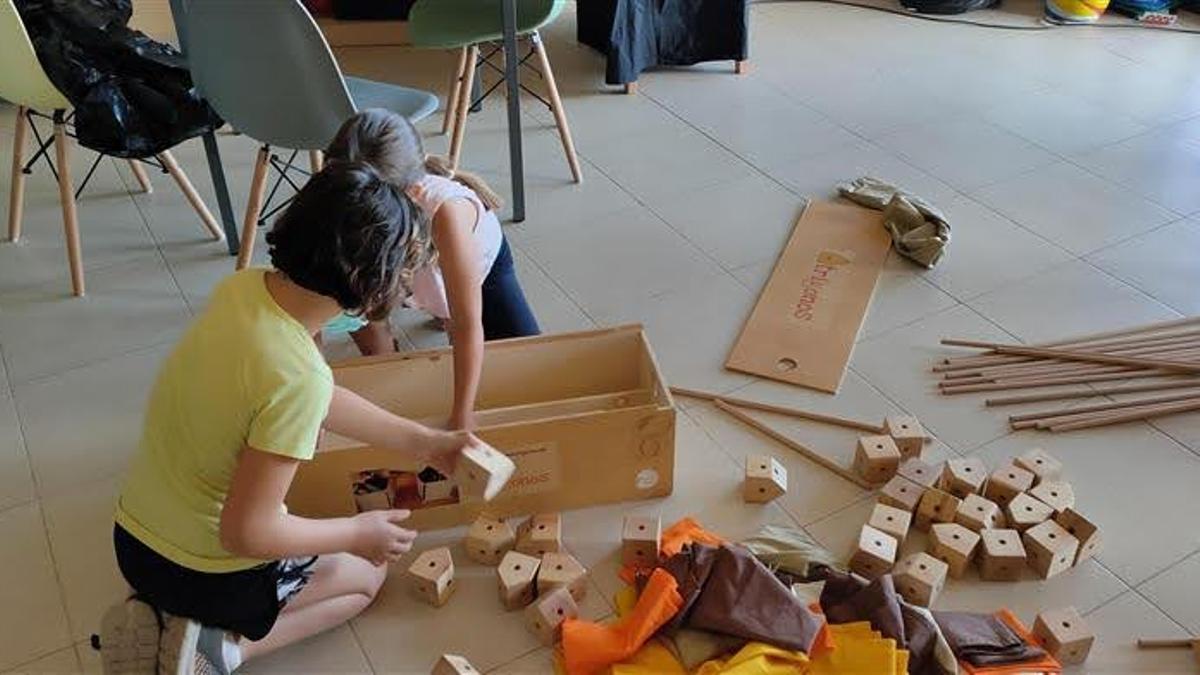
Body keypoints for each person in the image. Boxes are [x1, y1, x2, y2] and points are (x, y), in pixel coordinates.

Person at [99, 162, 484, 675]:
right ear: (373, 291)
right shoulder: (299, 378)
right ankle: (219, 650)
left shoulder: (242, 290)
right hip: (208, 570)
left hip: (132, 544)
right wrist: (354, 533)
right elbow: (247, 533)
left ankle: (164, 615)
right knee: (364, 582)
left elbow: (314, 395)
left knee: (287, 541)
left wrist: (426, 442)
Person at [324, 109, 541, 430]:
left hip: (479, 268)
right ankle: (390, 352)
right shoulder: (345, 194)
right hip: (412, 269)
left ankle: (436, 311)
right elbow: (331, 305)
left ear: (407, 191)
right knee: (360, 312)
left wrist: (462, 412)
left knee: (527, 364)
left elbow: (468, 323)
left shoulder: (447, 213)